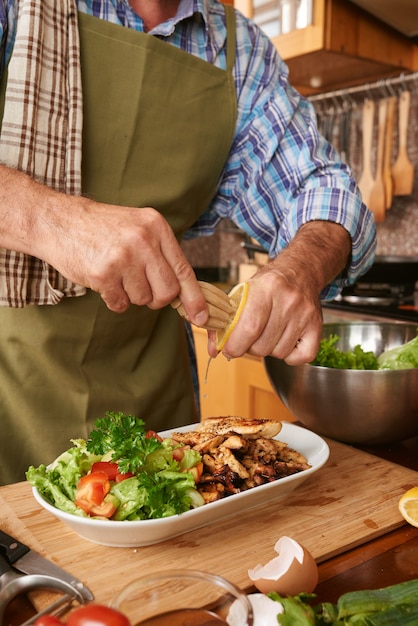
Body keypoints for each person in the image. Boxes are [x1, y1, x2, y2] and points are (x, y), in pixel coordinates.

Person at [0, 0, 376, 486]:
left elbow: (319, 184)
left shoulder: (241, 53)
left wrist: (299, 270)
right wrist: (53, 219)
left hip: (151, 387)